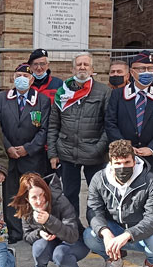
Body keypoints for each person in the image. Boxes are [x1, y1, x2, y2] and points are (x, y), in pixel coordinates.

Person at [83, 140, 153, 267]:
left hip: (140, 232)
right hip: (113, 229)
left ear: (134, 161)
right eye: (118, 163)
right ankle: (113, 259)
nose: (122, 167)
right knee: (90, 235)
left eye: (127, 162)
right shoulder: (99, 179)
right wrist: (105, 232)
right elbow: (93, 210)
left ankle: (150, 266)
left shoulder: (150, 180)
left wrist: (128, 234)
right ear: (111, 162)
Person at [47, 52, 109, 225]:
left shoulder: (103, 92)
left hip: (94, 154)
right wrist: (53, 153)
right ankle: (73, 230)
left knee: (98, 195)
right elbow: (53, 125)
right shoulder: (62, 93)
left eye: (86, 65)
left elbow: (109, 125)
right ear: (72, 68)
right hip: (67, 154)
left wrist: (99, 148)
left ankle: (99, 229)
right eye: (79, 64)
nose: (82, 67)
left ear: (92, 69)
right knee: (70, 195)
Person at [0, 63, 50, 242]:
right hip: (9, 156)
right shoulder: (2, 98)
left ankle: (32, 231)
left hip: (32, 158)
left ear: (32, 79)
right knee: (11, 196)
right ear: (13, 77)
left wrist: (28, 148)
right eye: (18, 75)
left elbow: (44, 130)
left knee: (33, 195)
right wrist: (8, 147)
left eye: (26, 76)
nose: (22, 79)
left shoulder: (42, 100)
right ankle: (14, 231)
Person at [105, 50, 153, 180]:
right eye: (142, 69)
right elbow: (110, 123)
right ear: (132, 72)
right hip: (124, 158)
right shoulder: (118, 94)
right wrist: (125, 147)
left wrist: (152, 148)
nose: (147, 72)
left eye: (150, 68)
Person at [12, 173, 91, 267]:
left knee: (60, 254)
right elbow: (27, 236)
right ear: (27, 199)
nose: (39, 201)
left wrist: (49, 221)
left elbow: (72, 236)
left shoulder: (60, 201)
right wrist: (39, 233)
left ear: (46, 191)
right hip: (52, 242)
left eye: (42, 195)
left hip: (75, 241)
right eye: (34, 197)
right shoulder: (26, 207)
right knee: (39, 246)